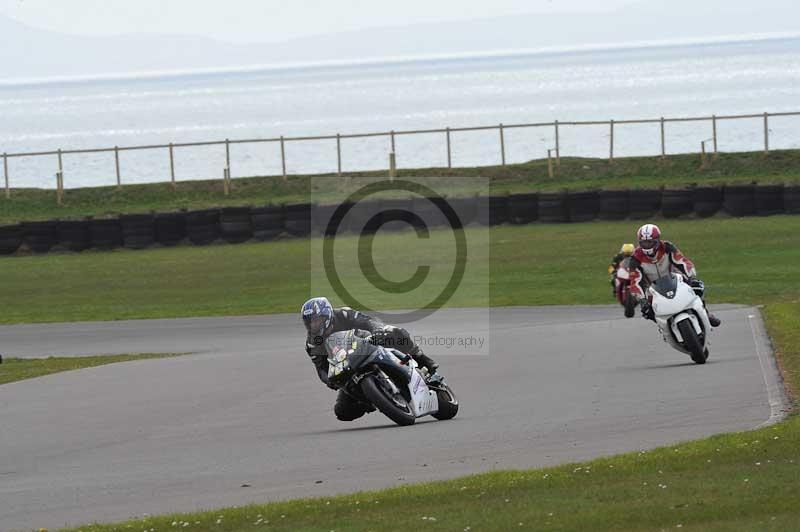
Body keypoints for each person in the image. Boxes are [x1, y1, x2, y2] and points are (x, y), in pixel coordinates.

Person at [301, 296, 439, 421]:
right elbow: (321, 369)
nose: (313, 325)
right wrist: (330, 381)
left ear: (327, 315)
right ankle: (372, 400)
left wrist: (377, 331)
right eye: (310, 322)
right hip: (347, 367)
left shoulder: (343, 314)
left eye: (316, 320)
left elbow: (367, 321)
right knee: (342, 412)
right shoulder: (313, 342)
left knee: (394, 332)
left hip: (367, 344)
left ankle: (424, 360)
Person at [628, 224, 721, 327]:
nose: (647, 245)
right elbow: (634, 282)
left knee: (697, 286)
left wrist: (690, 275)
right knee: (647, 311)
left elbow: (682, 261)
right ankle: (664, 328)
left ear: (657, 240)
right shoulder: (635, 259)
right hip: (652, 289)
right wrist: (642, 300)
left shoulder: (667, 247)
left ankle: (705, 313)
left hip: (674, 279)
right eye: (644, 243)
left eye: (650, 242)